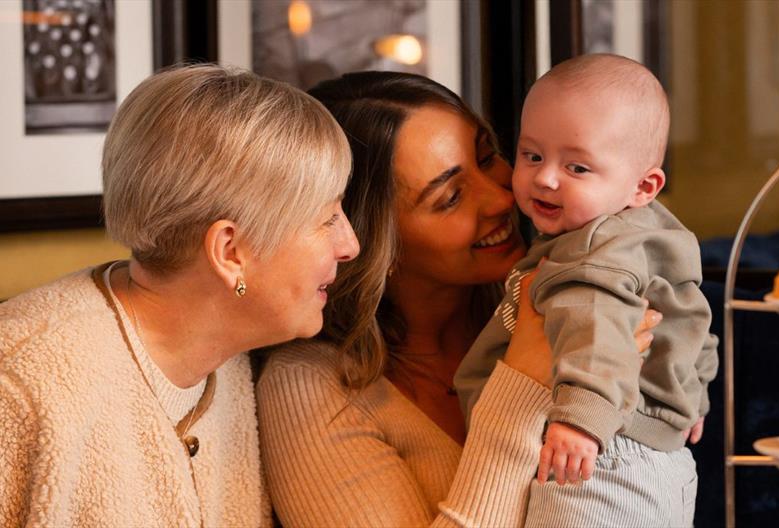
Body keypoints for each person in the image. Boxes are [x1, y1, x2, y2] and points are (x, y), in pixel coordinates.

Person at [255, 71, 663, 527]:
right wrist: (522, 382)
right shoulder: (310, 388)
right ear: (369, 239)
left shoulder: (575, 296)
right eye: (450, 197)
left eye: (488, 158)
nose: (501, 198)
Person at [0, 64, 359, 526]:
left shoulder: (224, 359)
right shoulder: (21, 386)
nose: (350, 245)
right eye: (327, 218)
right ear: (230, 252)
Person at [454, 53, 719, 527]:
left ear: (644, 185)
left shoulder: (592, 252)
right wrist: (688, 397)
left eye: (577, 167)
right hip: (656, 456)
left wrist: (580, 421)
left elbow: (594, 329)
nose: (546, 177)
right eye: (532, 155)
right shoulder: (651, 236)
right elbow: (693, 320)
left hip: (599, 458)